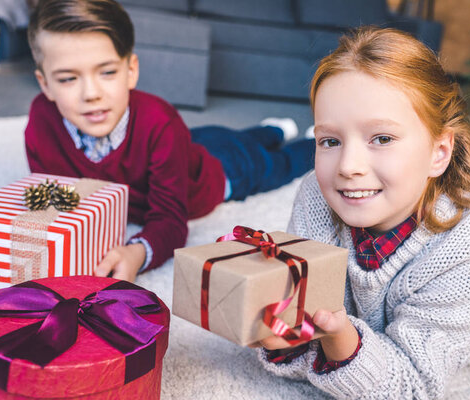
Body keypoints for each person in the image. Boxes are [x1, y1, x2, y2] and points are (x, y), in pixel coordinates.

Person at [253, 27, 470, 399]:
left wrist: (342, 341)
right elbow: (303, 333)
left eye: (382, 138)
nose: (348, 166)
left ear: (439, 153)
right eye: (331, 141)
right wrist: (283, 341)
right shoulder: (317, 193)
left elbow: (412, 385)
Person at [23, 0, 314, 282]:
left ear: (131, 71)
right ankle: (270, 131)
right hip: (186, 146)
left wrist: (137, 252)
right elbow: (53, 196)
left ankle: (300, 140)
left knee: (274, 164)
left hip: (221, 174)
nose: (91, 93)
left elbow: (170, 221)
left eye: (107, 72)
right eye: (67, 79)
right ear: (45, 83)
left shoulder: (160, 121)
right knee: (225, 139)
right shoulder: (41, 120)